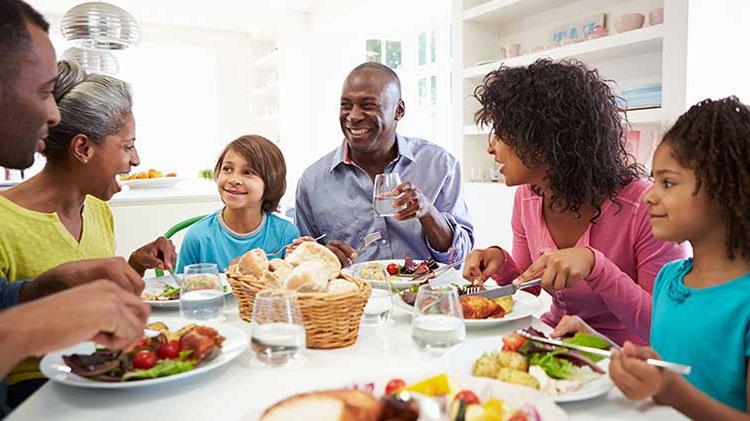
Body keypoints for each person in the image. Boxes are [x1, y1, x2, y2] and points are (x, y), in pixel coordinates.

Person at [463, 59, 686, 346]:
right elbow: (528, 288)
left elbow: (664, 327)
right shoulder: (528, 195)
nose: (491, 147)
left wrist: (598, 268)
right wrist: (501, 262)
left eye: (503, 134)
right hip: (556, 338)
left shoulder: (645, 206)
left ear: (544, 142)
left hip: (625, 358)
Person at [0, 0, 149, 414]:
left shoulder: (98, 210)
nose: (52, 115)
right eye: (44, 92)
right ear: (83, 148)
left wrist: (54, 284)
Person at [609, 97, 750, 418]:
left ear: (726, 191)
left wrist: (670, 391)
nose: (648, 195)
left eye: (668, 183)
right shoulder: (669, 278)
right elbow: (674, 363)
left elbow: (673, 387)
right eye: (654, 180)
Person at [0, 59, 176, 283]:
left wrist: (135, 265)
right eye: (128, 146)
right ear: (83, 148)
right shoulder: (4, 223)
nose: (136, 160)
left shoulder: (97, 208)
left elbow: (97, 299)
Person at [295, 62, 474, 267]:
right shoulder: (312, 182)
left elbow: (459, 258)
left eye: (368, 105)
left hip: (425, 295)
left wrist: (428, 213)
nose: (353, 116)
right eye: (346, 105)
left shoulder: (440, 165)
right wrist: (323, 259)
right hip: (353, 297)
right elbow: (303, 263)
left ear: (398, 110)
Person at [177, 135, 300, 272]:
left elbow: (294, 290)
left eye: (248, 172)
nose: (233, 179)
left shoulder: (286, 234)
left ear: (271, 182)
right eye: (227, 169)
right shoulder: (197, 237)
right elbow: (182, 290)